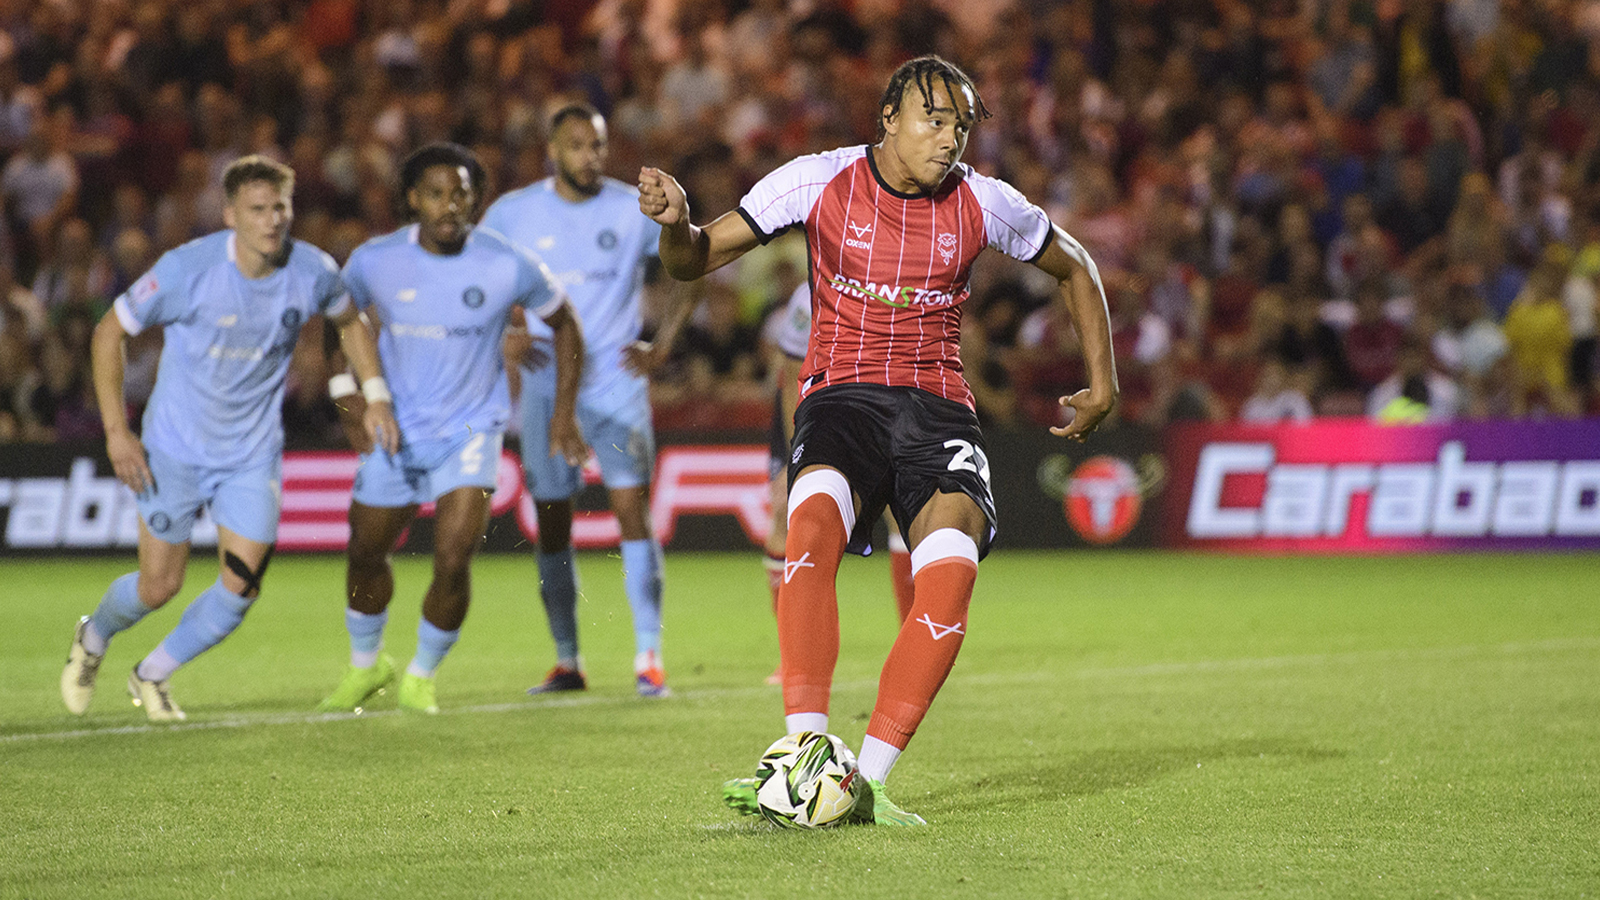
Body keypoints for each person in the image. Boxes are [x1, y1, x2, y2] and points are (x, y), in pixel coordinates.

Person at [639, 55, 1117, 825]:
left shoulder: (986, 203)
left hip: (938, 412)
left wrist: (1105, 380)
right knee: (812, 523)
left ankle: (861, 780)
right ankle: (804, 748)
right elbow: (696, 258)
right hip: (842, 399)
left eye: (961, 125)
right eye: (934, 118)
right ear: (887, 118)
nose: (950, 138)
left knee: (952, 571)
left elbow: (1077, 265)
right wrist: (676, 227)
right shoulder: (815, 181)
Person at [61, 155, 397, 722]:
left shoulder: (312, 270)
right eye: (258, 210)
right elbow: (108, 332)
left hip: (250, 453)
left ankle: (152, 673)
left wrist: (377, 394)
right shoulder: (187, 270)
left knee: (241, 587)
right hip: (174, 448)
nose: (272, 221)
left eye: (280, 209)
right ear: (230, 215)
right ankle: (93, 638)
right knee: (158, 586)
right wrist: (117, 433)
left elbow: (349, 321)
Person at [316, 142, 586, 715]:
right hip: (395, 431)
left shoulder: (506, 262)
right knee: (366, 552)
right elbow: (336, 327)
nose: (449, 206)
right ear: (413, 199)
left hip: (471, 432)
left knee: (454, 557)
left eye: (460, 193)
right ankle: (367, 666)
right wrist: (351, 404)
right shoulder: (373, 260)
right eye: (436, 194)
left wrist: (562, 415)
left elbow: (566, 327)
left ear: (475, 199)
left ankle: (421, 674)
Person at [480, 104, 693, 698]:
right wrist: (505, 331)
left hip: (616, 383)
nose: (589, 156)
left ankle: (649, 657)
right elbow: (475, 282)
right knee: (552, 522)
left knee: (631, 510)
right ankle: (567, 660)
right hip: (546, 385)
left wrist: (663, 344)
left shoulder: (632, 208)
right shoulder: (514, 213)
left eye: (597, 145)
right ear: (552, 150)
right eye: (576, 145)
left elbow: (693, 264)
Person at [759, 281, 914, 687]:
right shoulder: (809, 292)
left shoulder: (893, 278)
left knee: (900, 514)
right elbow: (790, 367)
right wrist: (797, 446)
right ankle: (791, 656)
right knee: (784, 513)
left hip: (876, 404)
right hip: (814, 413)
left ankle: (911, 642)